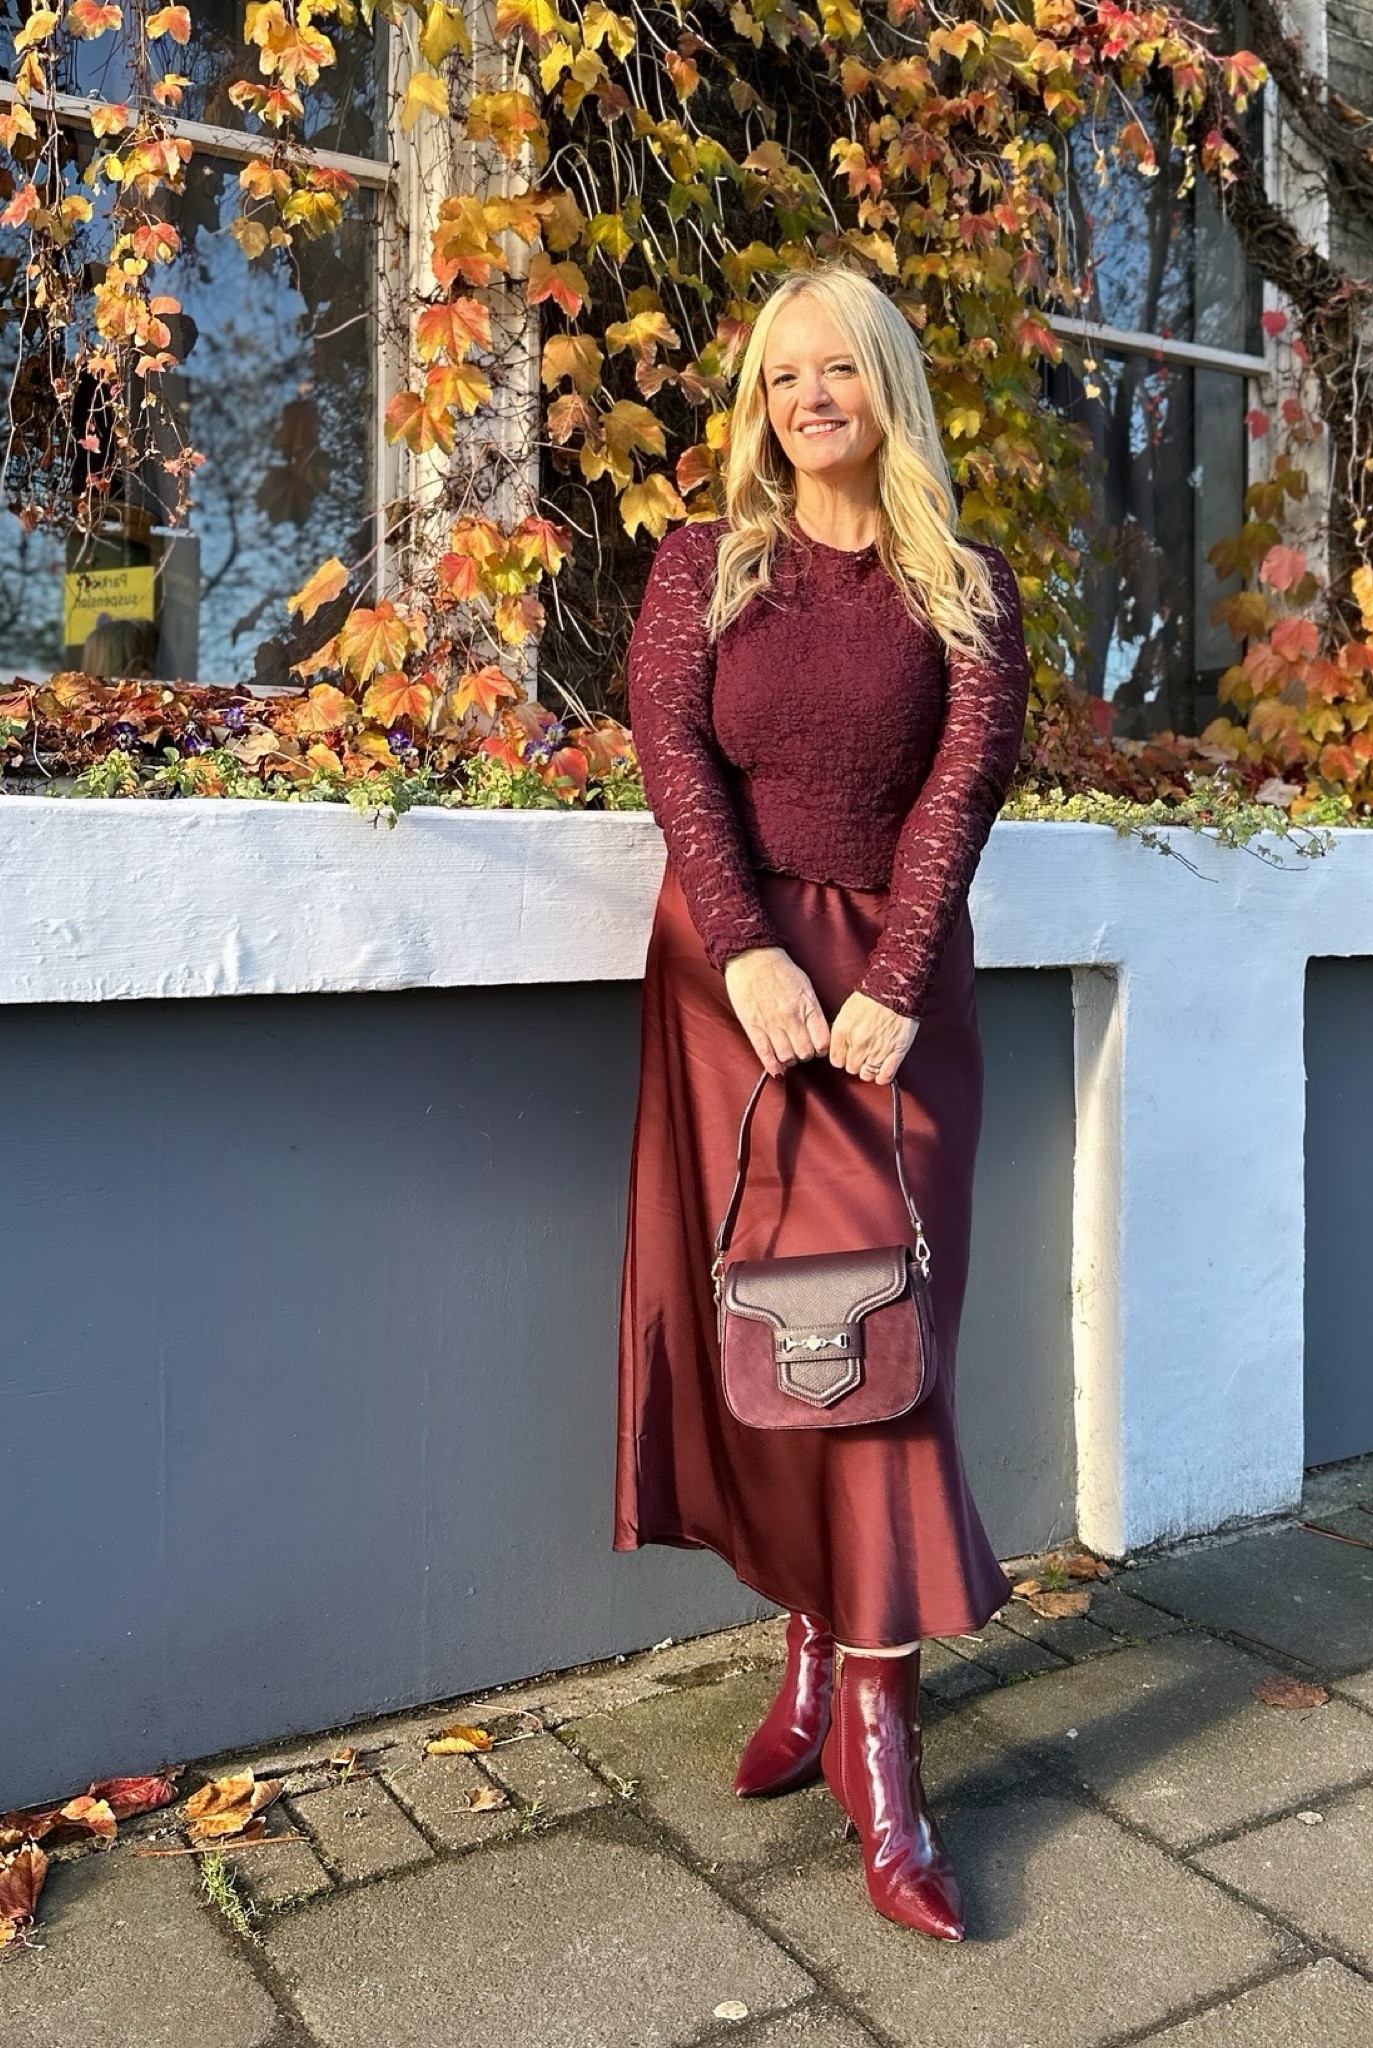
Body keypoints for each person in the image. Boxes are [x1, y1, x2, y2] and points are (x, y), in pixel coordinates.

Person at [617, 262, 1028, 1942]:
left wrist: (887, 984)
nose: (806, 396)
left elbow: (962, 790)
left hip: (892, 1010)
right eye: (779, 375)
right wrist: (750, 959)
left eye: (835, 367)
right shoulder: (703, 570)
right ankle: (809, 1658)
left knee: (879, 1355)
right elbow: (674, 761)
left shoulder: (968, 588)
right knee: (765, 1340)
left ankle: (879, 1736)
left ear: (887, 387)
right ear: (758, 406)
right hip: (731, 992)